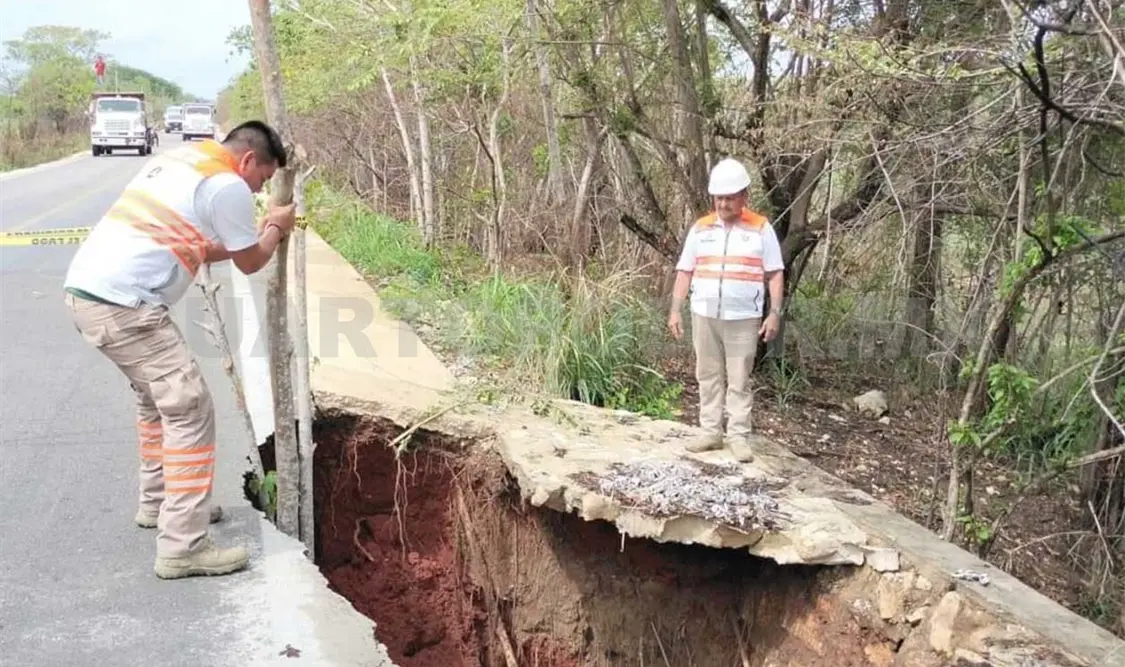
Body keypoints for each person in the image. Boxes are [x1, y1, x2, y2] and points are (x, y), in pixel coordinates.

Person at [63, 120, 296, 579]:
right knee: (189, 407)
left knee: (156, 401)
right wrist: (275, 225)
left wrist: (257, 230)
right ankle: (183, 546)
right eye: (263, 180)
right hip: (126, 307)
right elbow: (251, 260)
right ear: (248, 160)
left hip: (90, 295)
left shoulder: (183, 161)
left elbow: (201, 246)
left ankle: (161, 504)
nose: (258, 189)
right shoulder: (226, 184)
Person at [667, 157, 785, 463]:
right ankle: (710, 431)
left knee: (739, 377)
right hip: (704, 313)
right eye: (718, 198)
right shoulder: (701, 229)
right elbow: (684, 270)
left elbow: (774, 272)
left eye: (729, 198)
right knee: (707, 374)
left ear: (744, 196)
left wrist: (774, 312)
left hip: (743, 316)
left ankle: (738, 435)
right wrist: (676, 309)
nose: (723, 203)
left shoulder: (760, 229)